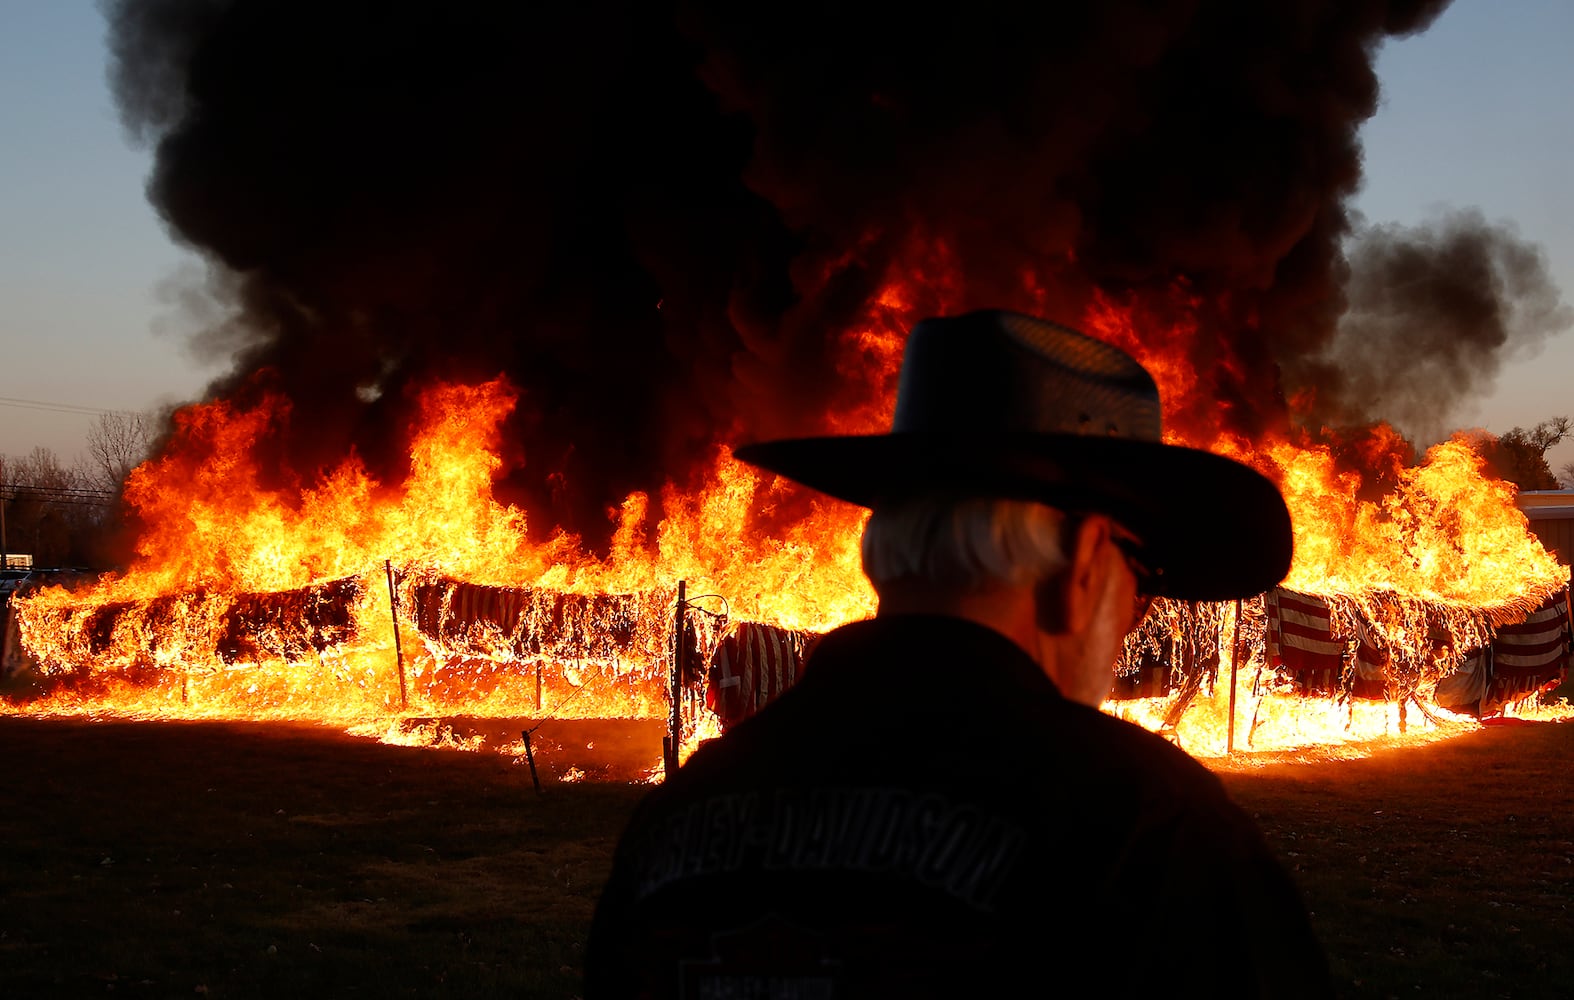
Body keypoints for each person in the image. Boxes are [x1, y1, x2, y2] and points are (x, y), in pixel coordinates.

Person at [585, 309, 1332, 998]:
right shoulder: (1148, 829)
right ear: (1082, 561)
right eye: (1142, 583)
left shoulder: (674, 821)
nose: (1132, 625)